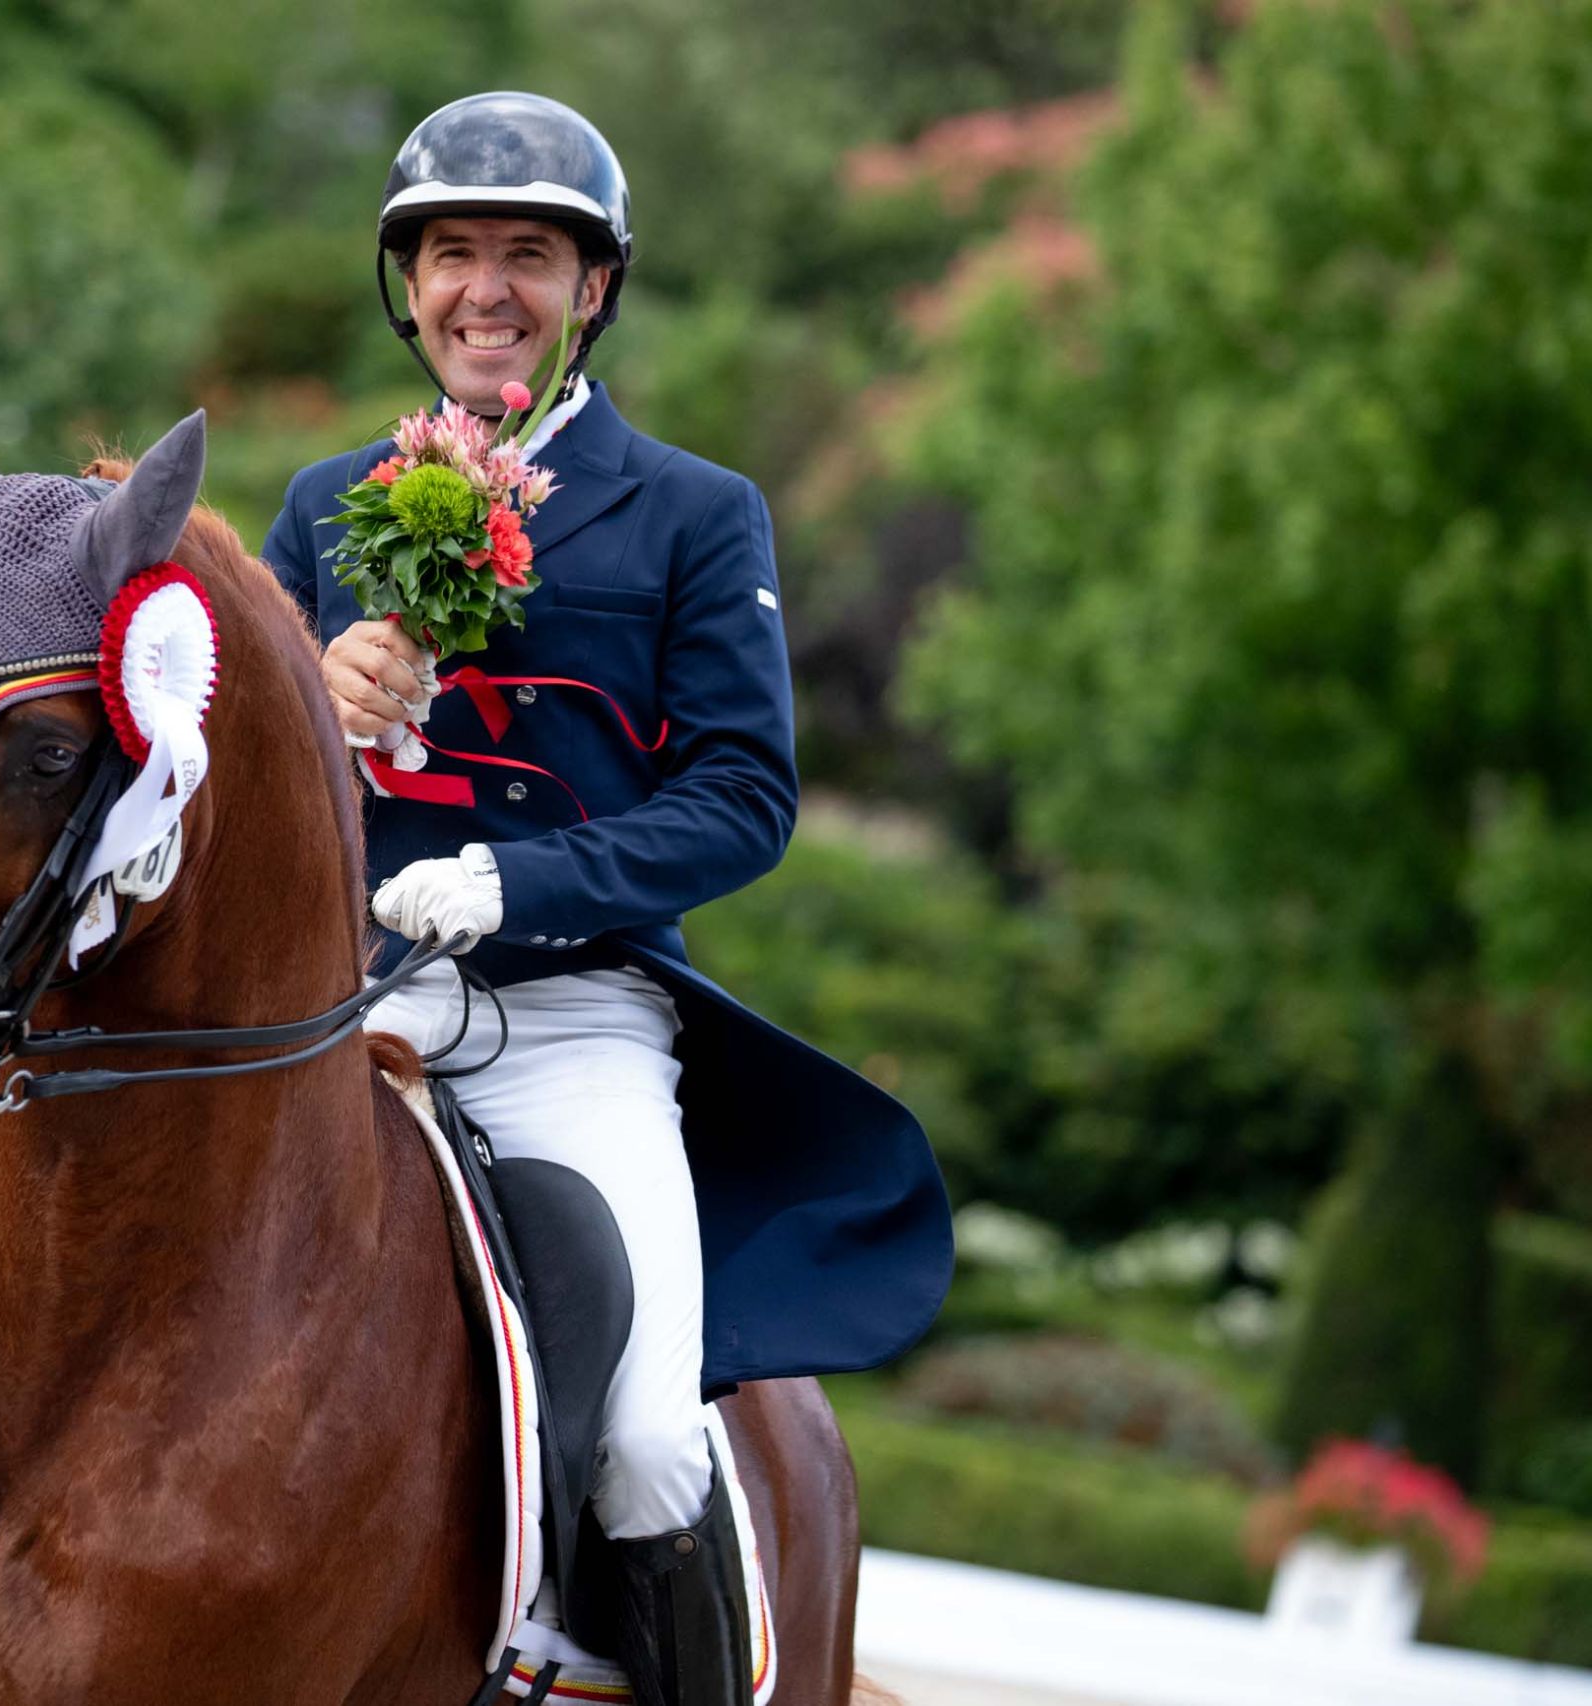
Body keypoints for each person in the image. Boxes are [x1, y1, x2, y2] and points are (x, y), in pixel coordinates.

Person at [259, 91, 953, 1704]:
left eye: (527, 255)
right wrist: (310, 696)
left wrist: (515, 879)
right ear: (407, 284)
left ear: (594, 289)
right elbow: (226, 800)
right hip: (336, 1013)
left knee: (646, 1442)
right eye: (450, 253)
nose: (484, 287)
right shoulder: (316, 511)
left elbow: (743, 798)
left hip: (571, 1028)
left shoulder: (698, 517)